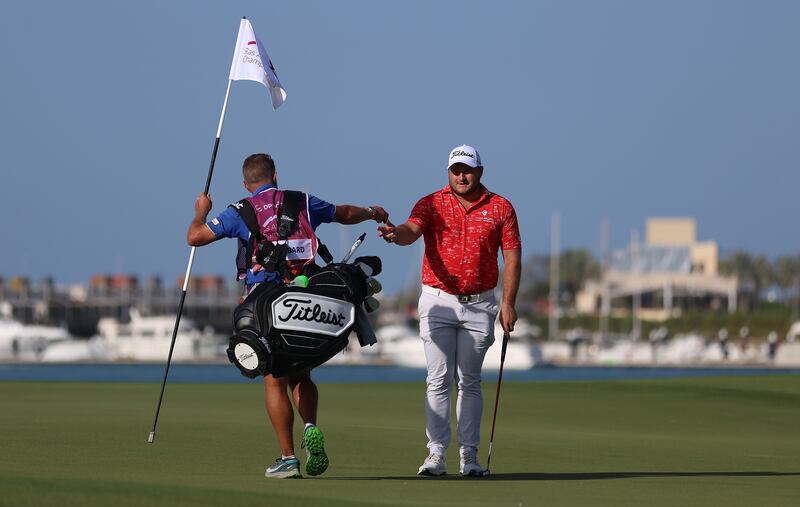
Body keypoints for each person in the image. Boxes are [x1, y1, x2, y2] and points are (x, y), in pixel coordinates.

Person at [187, 153, 388, 479]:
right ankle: (311, 426)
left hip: (265, 309)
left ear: (245, 184)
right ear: (275, 175)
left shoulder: (240, 210)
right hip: (307, 300)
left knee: (274, 379)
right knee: (302, 374)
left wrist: (200, 212)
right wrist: (371, 213)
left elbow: (194, 237)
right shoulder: (303, 201)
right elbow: (345, 213)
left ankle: (288, 458)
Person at [378, 144, 521, 476]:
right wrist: (394, 233)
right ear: (448, 172)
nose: (461, 175)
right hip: (438, 300)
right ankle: (436, 454)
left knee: (469, 380)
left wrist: (508, 302)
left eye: (467, 170)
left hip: (481, 302)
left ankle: (468, 457)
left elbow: (512, 256)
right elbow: (410, 230)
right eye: (456, 170)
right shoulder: (431, 203)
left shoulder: (501, 207)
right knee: (438, 378)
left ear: (480, 172)